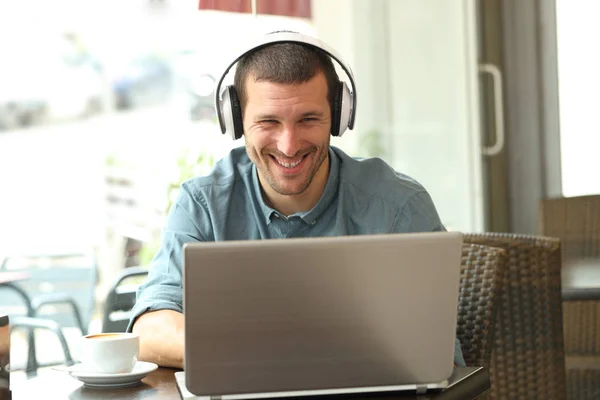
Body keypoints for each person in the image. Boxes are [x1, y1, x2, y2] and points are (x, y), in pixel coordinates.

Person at [128, 31, 465, 369]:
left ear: (338, 114)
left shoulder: (399, 206)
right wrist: (269, 354)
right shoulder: (202, 204)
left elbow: (436, 353)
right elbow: (151, 329)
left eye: (308, 119)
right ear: (236, 120)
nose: (289, 146)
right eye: (268, 121)